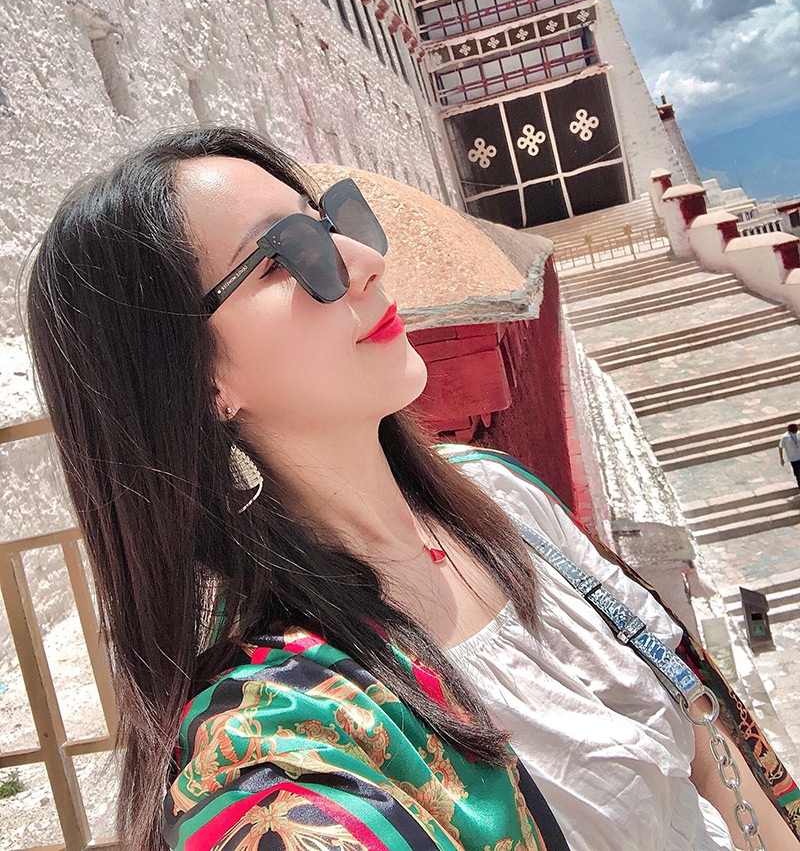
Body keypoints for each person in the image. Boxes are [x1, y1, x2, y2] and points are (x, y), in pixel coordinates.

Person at [24, 127, 799, 851]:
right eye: (282, 257)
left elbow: (707, 744)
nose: (364, 258)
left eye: (334, 220)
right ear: (196, 377)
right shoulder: (282, 725)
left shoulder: (498, 496)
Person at [778, 423, 800, 489]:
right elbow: (780, 447)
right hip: (793, 458)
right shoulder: (785, 437)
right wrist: (781, 458)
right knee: (798, 474)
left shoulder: (799, 433)